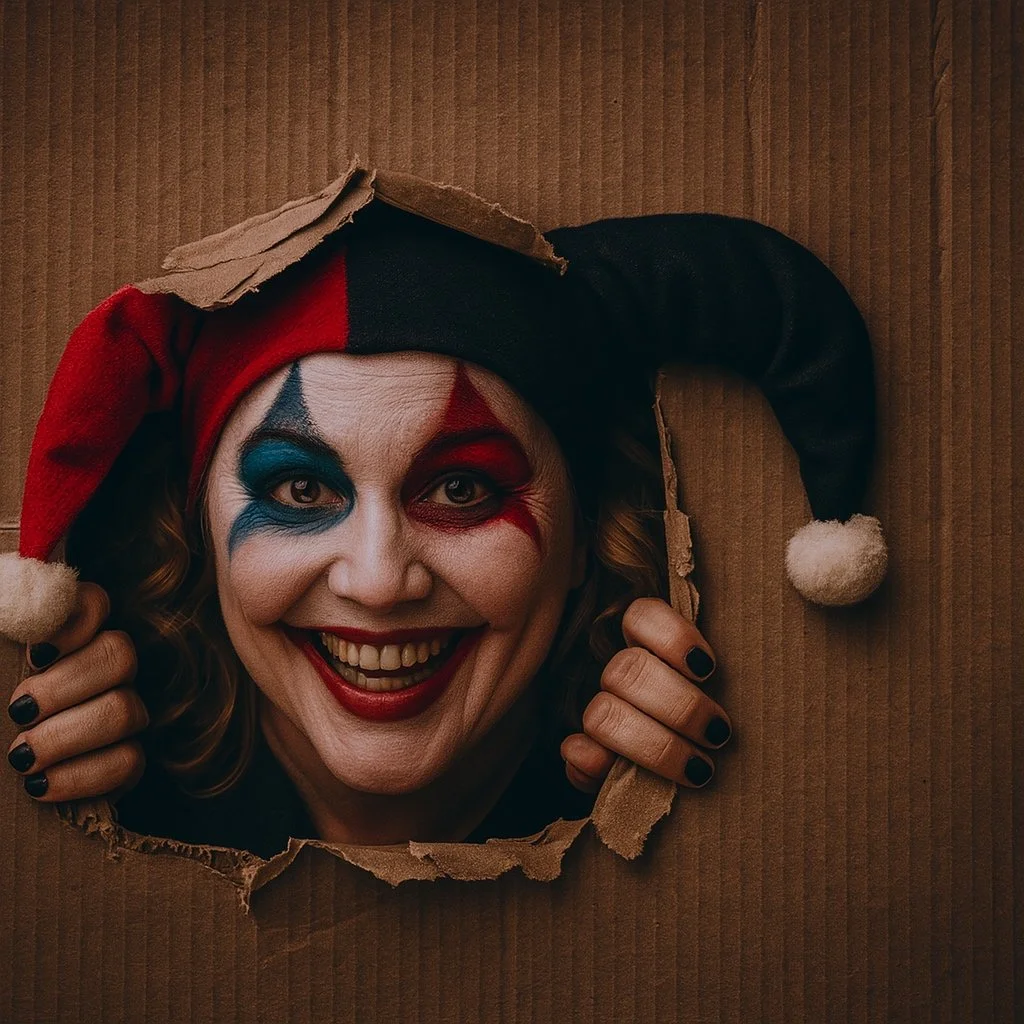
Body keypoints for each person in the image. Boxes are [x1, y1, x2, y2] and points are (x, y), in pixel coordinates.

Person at [0, 186, 886, 856]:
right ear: (199, 531)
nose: (380, 580)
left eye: (462, 489)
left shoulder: (647, 791)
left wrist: (736, 802)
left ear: (585, 537)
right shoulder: (139, 784)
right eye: (301, 492)